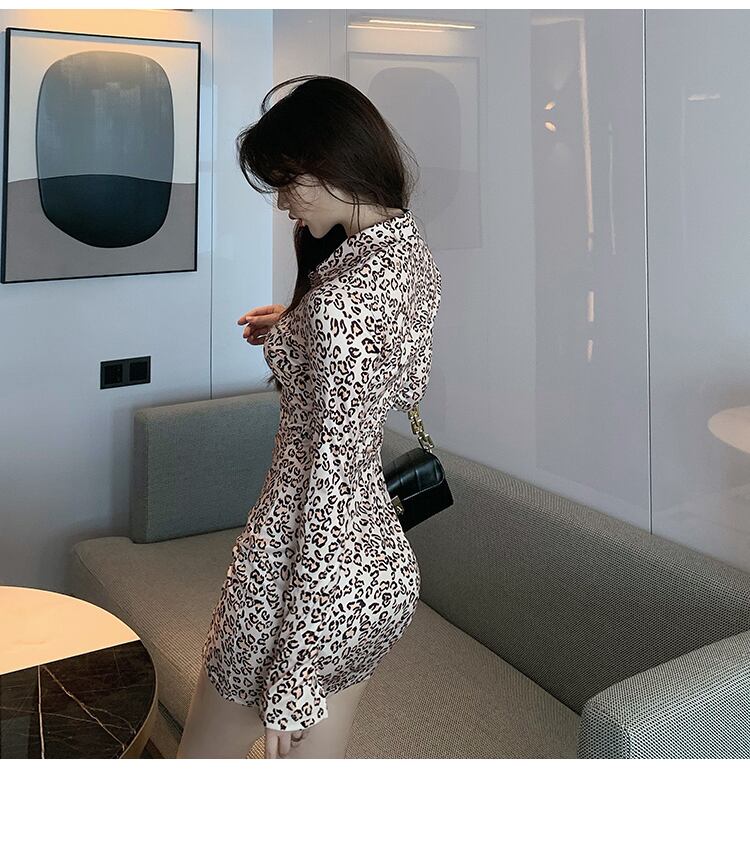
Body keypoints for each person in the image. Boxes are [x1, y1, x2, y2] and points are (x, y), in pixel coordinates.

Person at [177, 75, 442, 759]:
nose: (283, 202)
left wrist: (294, 674)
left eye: (287, 181)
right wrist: (296, 331)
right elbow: (400, 376)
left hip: (301, 579)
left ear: (332, 163)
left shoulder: (341, 306)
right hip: (376, 578)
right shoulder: (405, 252)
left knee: (198, 771)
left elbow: (328, 488)